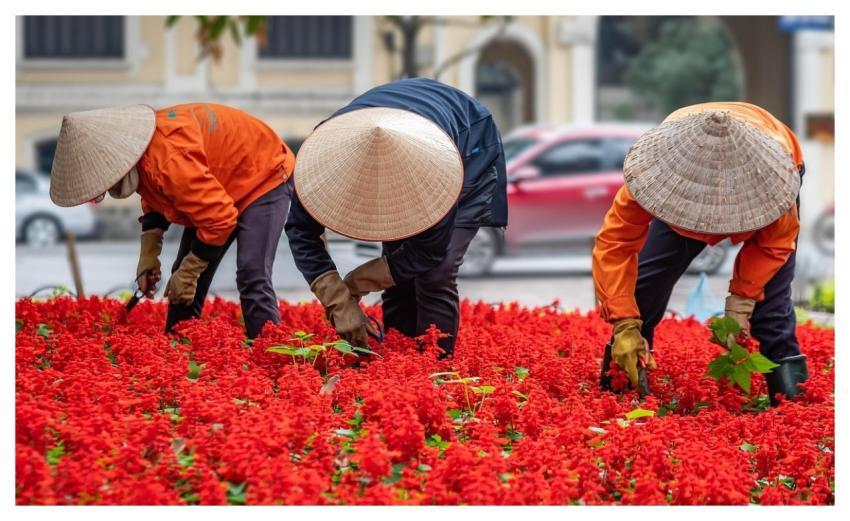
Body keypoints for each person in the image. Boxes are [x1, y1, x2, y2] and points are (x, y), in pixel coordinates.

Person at [592, 102, 807, 405]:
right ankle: (623, 386)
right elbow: (615, 245)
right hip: (683, 181)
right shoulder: (655, 176)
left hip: (764, 163)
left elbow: (774, 244)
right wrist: (624, 323)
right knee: (644, 287)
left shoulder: (773, 183)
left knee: (770, 307)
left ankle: (792, 404)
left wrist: (742, 300)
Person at [285, 77, 507, 357]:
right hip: (404, 121)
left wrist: (356, 282)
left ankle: (433, 370)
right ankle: (396, 360)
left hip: (469, 147)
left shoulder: (434, 170)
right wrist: (338, 301)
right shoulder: (319, 161)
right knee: (400, 275)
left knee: (435, 275)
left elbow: (429, 252)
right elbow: (300, 231)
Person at [49, 103, 296, 338]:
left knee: (251, 273)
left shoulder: (169, 160)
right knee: (182, 275)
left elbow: (219, 219)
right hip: (220, 187)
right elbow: (156, 197)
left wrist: (189, 273)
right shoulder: (145, 158)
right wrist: (149, 256)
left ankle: (269, 354)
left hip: (265, 175)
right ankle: (179, 348)